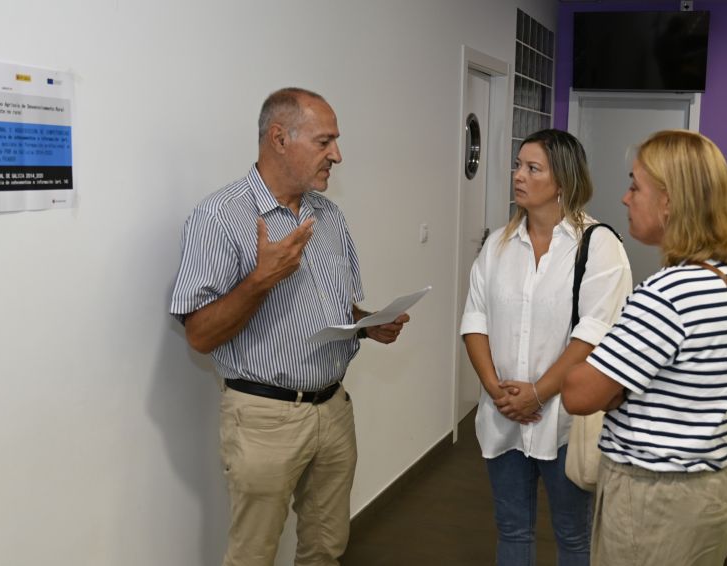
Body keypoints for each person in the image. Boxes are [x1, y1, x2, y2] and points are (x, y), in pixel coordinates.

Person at [169, 87, 409, 566]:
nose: (336, 155)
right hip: (263, 420)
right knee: (253, 554)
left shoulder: (328, 215)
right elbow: (198, 334)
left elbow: (340, 306)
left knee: (326, 547)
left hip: (333, 410)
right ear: (279, 138)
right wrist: (260, 281)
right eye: (324, 142)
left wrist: (368, 323)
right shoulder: (221, 216)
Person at [562, 130, 727, 566]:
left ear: (669, 202)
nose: (626, 198)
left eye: (635, 186)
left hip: (654, 503)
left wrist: (604, 372)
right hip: (705, 490)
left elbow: (579, 394)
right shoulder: (724, 277)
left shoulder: (669, 293)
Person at [460, 129, 632, 565]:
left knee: (573, 536)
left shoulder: (598, 246)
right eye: (518, 165)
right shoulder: (498, 245)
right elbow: (474, 319)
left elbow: (593, 336)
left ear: (562, 181)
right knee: (512, 529)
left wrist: (538, 392)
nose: (518, 175)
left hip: (564, 422)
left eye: (532, 168)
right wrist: (496, 389)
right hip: (503, 417)